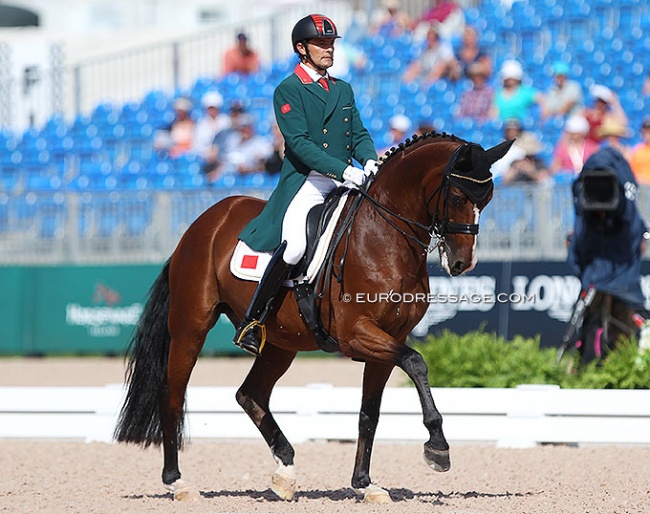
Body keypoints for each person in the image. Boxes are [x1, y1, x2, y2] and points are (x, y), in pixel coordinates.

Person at [232, 14, 378, 356]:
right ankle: (252, 321)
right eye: (322, 44)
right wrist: (345, 171)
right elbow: (298, 144)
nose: (329, 50)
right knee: (295, 246)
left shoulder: (343, 88)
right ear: (302, 48)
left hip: (346, 178)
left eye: (331, 43)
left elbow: (357, 133)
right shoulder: (288, 89)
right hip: (308, 181)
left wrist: (369, 159)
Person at [568, 146, 647, 363]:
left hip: (620, 264)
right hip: (598, 261)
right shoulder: (589, 179)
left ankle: (630, 361)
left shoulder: (622, 180)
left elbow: (630, 221)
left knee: (629, 316)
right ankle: (587, 360)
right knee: (593, 317)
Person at [193, 91, 232, 171]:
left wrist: (216, 152)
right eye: (209, 108)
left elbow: (228, 141)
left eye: (213, 108)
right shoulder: (201, 124)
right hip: (205, 157)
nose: (211, 110)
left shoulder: (226, 121)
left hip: (223, 156)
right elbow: (197, 144)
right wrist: (207, 153)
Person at [629, 116, 650, 185]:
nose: (647, 133)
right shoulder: (637, 150)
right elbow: (633, 171)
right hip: (642, 186)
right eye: (645, 130)